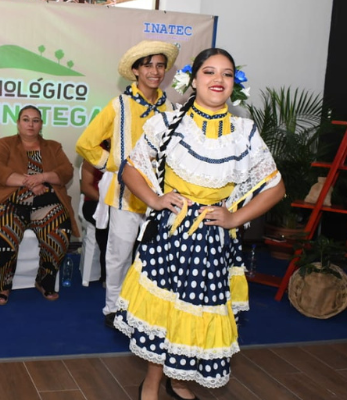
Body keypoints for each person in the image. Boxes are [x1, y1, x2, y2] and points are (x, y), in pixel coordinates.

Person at [116, 48, 284, 400]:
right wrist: (155, 200)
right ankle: (151, 382)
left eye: (226, 73)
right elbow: (131, 169)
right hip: (171, 234)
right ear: (194, 80)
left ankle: (179, 381)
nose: (217, 80)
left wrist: (236, 217)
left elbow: (275, 188)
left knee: (197, 312)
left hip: (212, 239)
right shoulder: (167, 121)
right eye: (209, 72)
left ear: (234, 83)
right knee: (163, 311)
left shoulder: (244, 132)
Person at [76, 40, 179, 329]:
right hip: (124, 194)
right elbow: (85, 144)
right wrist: (118, 165)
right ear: (135, 70)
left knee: (152, 256)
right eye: (148, 65)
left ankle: (144, 308)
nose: (155, 71)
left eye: (160, 65)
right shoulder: (118, 104)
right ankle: (114, 308)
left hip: (160, 195)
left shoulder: (171, 107)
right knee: (119, 254)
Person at [0, 105, 78, 305]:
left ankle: (44, 280)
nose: (30, 124)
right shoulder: (5, 143)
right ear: (18, 124)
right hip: (11, 202)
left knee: (59, 231)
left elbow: (67, 170)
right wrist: (30, 183)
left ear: (41, 124)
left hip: (46, 203)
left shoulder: (53, 146)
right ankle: (3, 286)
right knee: (4, 232)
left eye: (35, 120)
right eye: (26, 119)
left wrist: (42, 177)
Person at [79, 158, 108, 283]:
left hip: (124, 204)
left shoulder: (130, 149)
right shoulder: (95, 152)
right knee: (109, 223)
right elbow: (86, 187)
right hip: (96, 202)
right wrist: (106, 204)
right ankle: (108, 276)